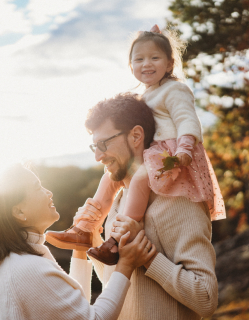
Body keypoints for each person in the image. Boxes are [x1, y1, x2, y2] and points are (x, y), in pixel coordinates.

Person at [46, 25, 225, 265]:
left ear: (170, 64)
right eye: (139, 59)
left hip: (172, 152)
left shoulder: (175, 89)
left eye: (154, 57)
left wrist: (184, 150)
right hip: (153, 152)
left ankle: (117, 240)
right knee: (108, 178)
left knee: (140, 178)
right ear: (131, 67)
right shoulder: (145, 95)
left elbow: (187, 120)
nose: (146, 64)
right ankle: (85, 229)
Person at [47, 92, 219, 319]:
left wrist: (148, 257)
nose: (98, 156)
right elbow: (113, 279)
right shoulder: (118, 201)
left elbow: (206, 299)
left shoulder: (178, 199)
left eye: (104, 144)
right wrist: (93, 236)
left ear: (136, 136)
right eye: (94, 147)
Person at [0, 164, 156, 320]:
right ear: (19, 212)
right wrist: (126, 264)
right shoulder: (27, 267)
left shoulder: (19, 261)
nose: (48, 192)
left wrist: (81, 247)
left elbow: (75, 309)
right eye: (38, 188)